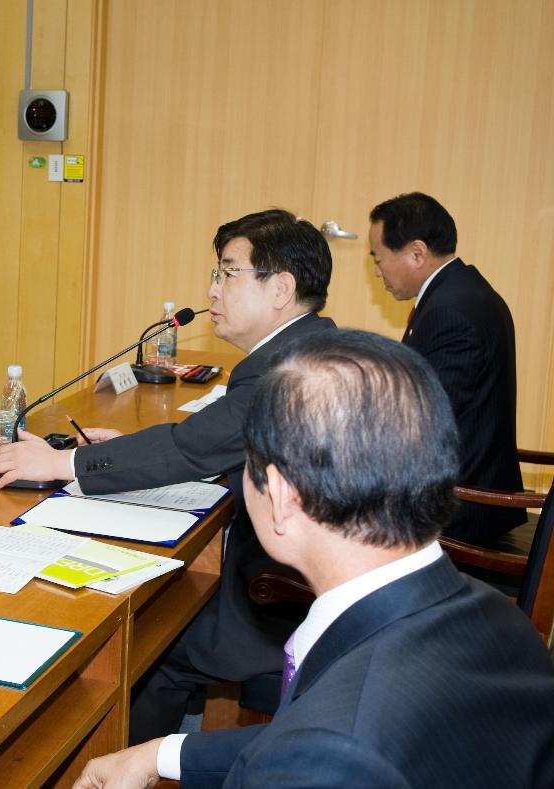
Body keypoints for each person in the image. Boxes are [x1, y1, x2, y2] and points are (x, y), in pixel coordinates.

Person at [73, 330, 554, 789]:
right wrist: (161, 754)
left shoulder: (332, 753)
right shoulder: (500, 620)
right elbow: (324, 732)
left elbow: (327, 742)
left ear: (281, 495)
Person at [0, 210, 335, 742]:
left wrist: (61, 464)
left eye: (227, 273)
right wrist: (123, 450)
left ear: (281, 288)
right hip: (307, 571)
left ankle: (123, 766)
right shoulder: (312, 345)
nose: (212, 290)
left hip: (287, 597)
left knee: (150, 640)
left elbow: (195, 448)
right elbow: (216, 439)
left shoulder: (284, 369)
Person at [368, 192, 523, 545]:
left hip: (459, 509)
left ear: (417, 252)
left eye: (378, 258)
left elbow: (426, 422)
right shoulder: (464, 291)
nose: (377, 272)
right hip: (468, 485)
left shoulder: (449, 311)